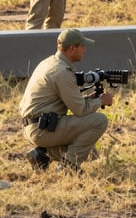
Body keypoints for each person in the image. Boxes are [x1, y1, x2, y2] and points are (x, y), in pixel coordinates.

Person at [19, 28, 113, 172]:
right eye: (82, 46)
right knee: (100, 121)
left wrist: (90, 98)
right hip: (42, 129)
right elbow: (80, 110)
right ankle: (68, 167)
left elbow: (66, 101)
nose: (85, 50)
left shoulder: (49, 63)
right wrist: (101, 101)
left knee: (90, 154)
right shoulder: (62, 72)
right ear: (72, 48)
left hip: (35, 126)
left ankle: (42, 154)